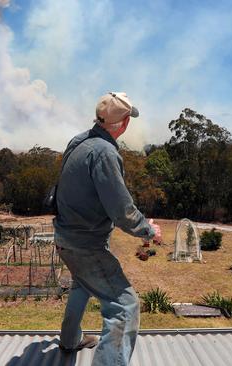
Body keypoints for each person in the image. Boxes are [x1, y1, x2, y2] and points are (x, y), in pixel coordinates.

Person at [53, 92, 162, 365]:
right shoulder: (104, 153)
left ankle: (70, 341)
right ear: (124, 123)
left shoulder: (79, 141)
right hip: (85, 246)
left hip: (65, 238)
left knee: (82, 284)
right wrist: (148, 230)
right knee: (125, 307)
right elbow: (122, 211)